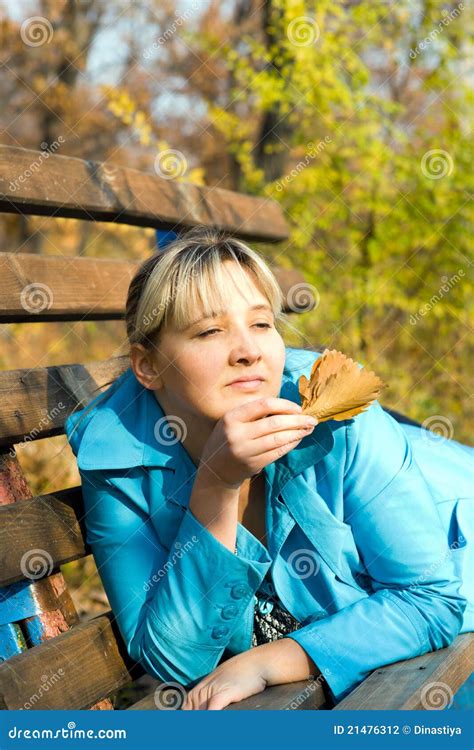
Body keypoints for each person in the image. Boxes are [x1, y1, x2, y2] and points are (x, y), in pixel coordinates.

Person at [65, 226, 473, 711]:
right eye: (210, 331)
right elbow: (174, 662)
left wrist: (273, 660)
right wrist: (217, 485)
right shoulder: (116, 458)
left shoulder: (341, 415)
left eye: (261, 324)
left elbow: (431, 598)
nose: (249, 351)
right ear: (147, 366)